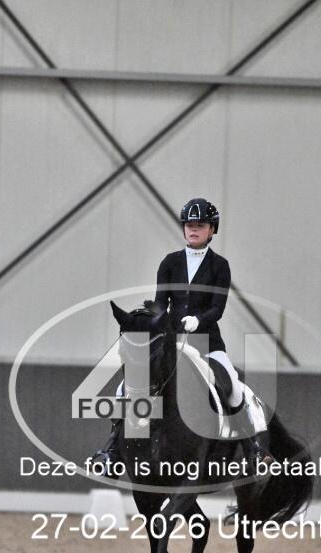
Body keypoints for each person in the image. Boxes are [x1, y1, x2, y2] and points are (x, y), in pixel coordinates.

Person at [92, 197, 270, 474]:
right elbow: (160, 302)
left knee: (233, 386)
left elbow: (217, 308)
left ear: (212, 230)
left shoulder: (219, 266)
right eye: (189, 225)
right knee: (126, 387)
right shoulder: (170, 262)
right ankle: (112, 450)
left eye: (200, 225)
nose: (193, 229)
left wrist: (198, 320)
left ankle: (253, 451)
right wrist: (155, 318)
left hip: (207, 341)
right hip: (171, 340)